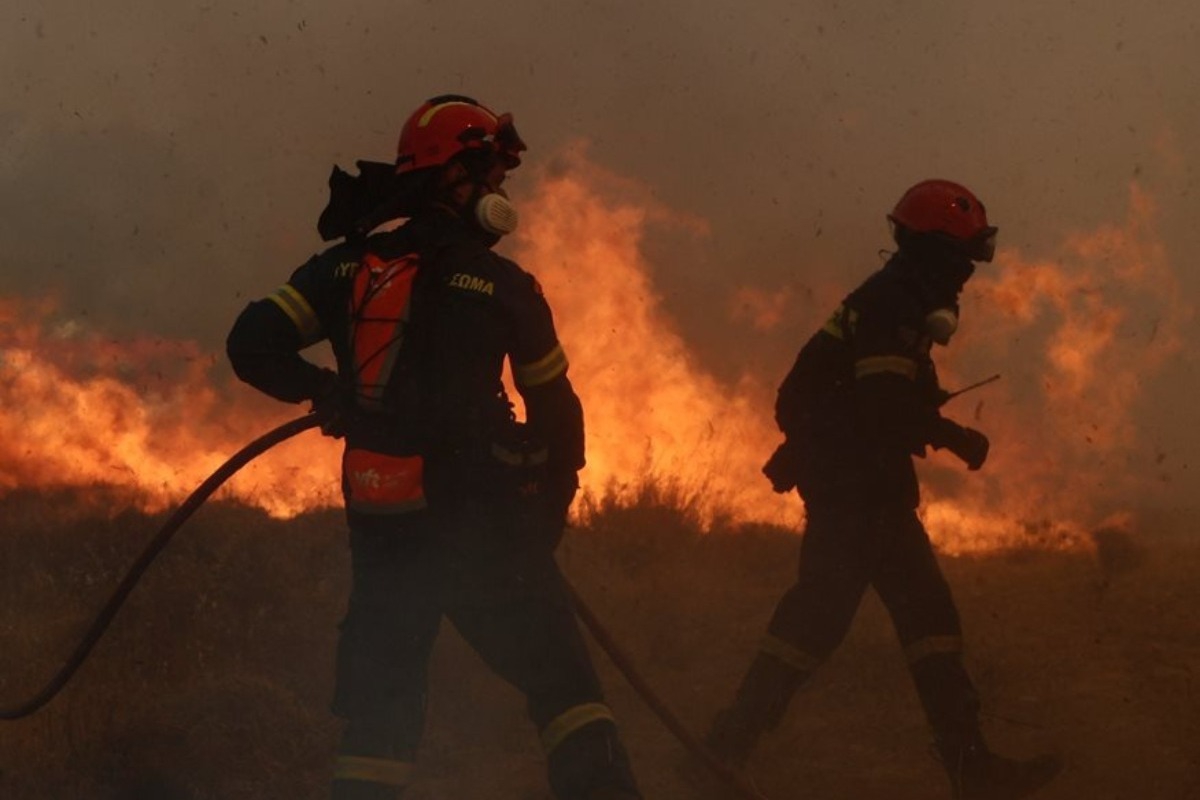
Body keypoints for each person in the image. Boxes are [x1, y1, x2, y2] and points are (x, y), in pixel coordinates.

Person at [226, 95, 640, 800]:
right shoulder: (502, 285)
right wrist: (544, 520)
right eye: (492, 176)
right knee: (566, 691)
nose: (502, 193)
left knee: (381, 720)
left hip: (384, 525)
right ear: (455, 177)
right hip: (484, 529)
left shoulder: (344, 269)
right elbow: (556, 416)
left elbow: (251, 343)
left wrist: (326, 392)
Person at [707, 180, 1061, 799]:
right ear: (932, 252)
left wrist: (921, 401)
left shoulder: (900, 299)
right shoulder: (895, 302)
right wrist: (953, 436)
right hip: (855, 489)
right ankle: (723, 749)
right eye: (960, 260)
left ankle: (968, 765)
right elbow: (883, 406)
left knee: (906, 618)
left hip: (862, 481)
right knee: (830, 620)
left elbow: (877, 390)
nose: (966, 276)